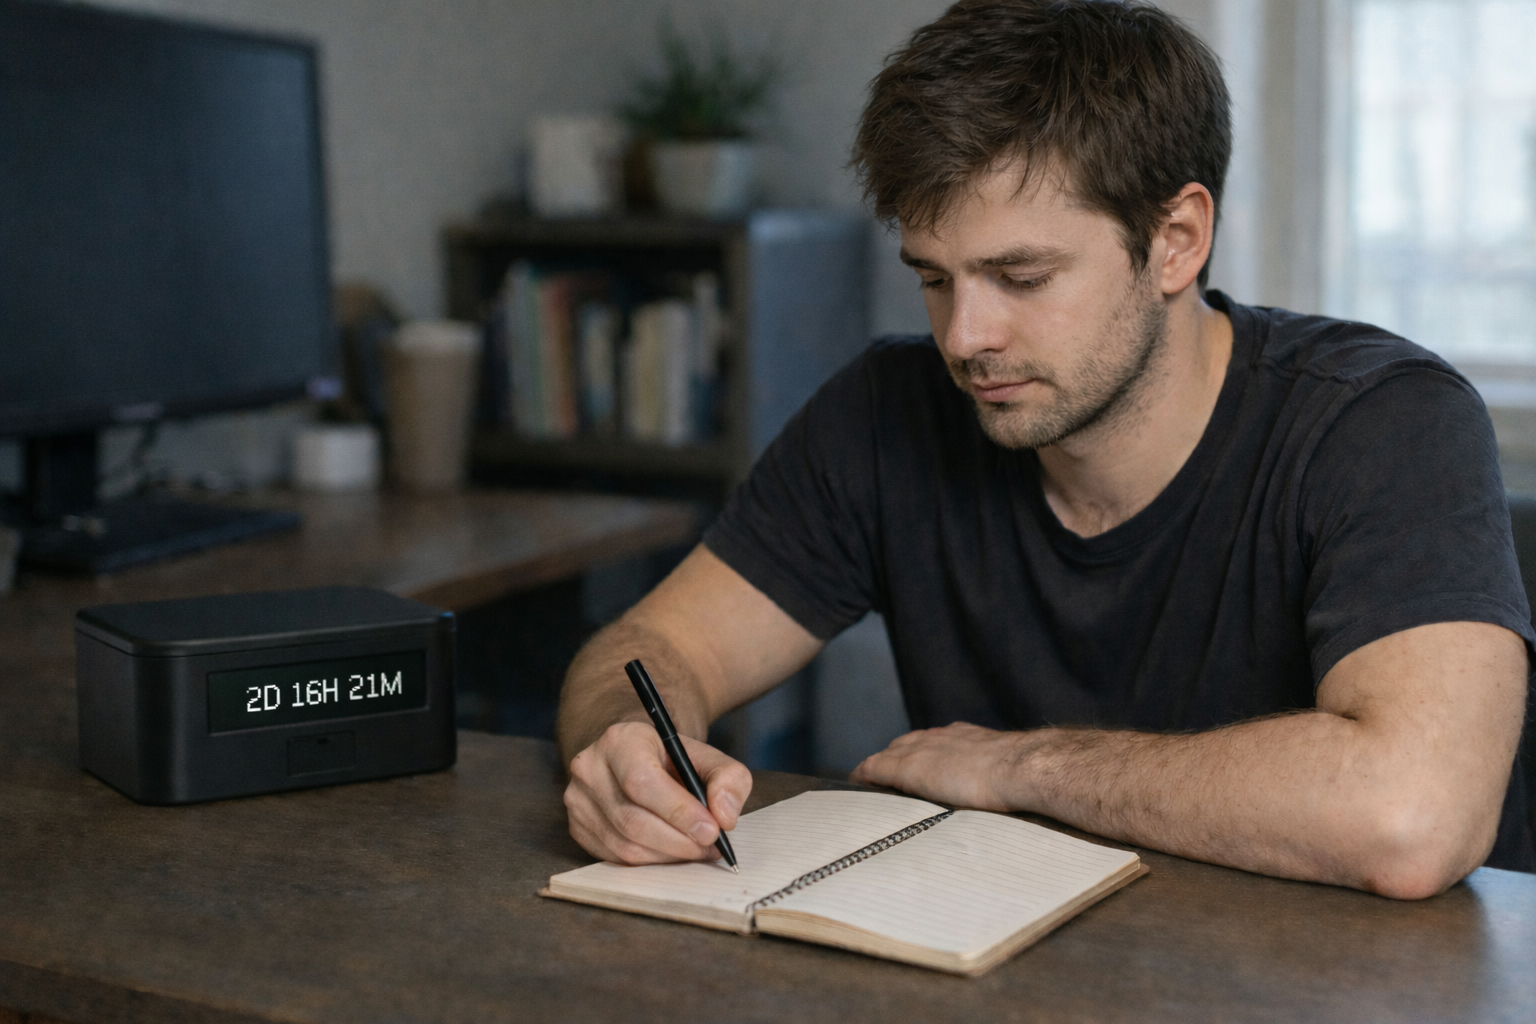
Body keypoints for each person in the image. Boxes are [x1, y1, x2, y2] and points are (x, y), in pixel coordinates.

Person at [558, 0, 1534, 897]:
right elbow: (648, 649)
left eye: (1020, 276)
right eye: (934, 277)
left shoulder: (1384, 421)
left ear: (1177, 240)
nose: (963, 336)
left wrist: (1021, 766)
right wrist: (627, 744)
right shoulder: (884, 414)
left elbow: (1416, 816)